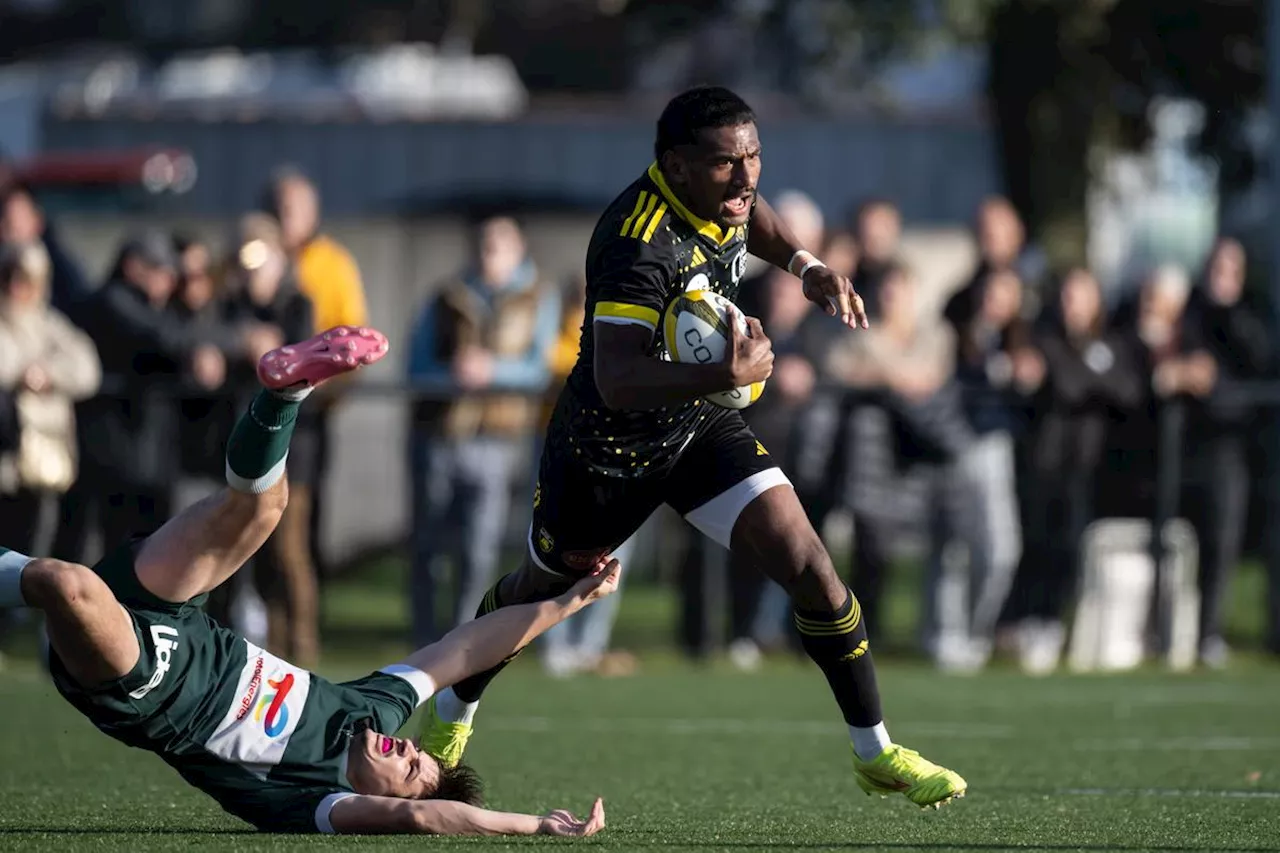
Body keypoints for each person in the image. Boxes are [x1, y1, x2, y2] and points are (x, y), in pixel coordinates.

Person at [418, 85, 966, 808]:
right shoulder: (636, 242)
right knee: (540, 592)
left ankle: (876, 749)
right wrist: (726, 372)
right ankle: (454, 712)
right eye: (724, 165)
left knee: (810, 563)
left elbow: (755, 220)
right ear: (675, 166)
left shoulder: (729, 196)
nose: (744, 179)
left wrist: (807, 268)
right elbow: (615, 379)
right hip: (606, 451)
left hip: (695, 427)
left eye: (753, 157)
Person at [0, 325, 610, 837]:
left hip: (142, 685)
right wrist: (568, 600)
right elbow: (469, 646)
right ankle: (286, 392)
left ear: (392, 801)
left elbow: (427, 819)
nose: (408, 751)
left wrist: (533, 825)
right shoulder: (369, 711)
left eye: (410, 770)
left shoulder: (312, 800)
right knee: (265, 506)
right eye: (419, 752)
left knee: (66, 583)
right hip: (179, 611)